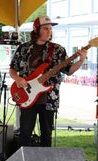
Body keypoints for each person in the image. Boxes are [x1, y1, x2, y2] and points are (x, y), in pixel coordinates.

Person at [9, 16, 87, 147]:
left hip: (49, 98)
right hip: (27, 96)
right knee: (25, 134)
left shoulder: (58, 49)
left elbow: (69, 70)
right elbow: (12, 69)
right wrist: (18, 79)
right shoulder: (23, 48)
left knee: (47, 135)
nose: (49, 31)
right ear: (36, 29)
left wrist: (81, 60)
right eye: (45, 29)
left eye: (50, 29)